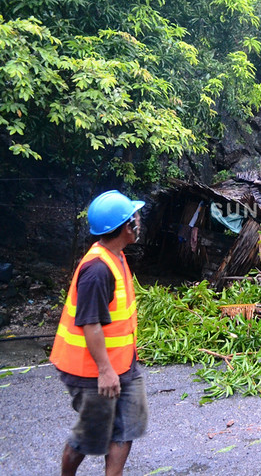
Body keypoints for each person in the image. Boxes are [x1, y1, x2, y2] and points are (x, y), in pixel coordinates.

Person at [50, 190, 148, 476]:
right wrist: (105, 371)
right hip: (92, 370)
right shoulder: (96, 270)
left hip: (122, 364)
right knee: (91, 434)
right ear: (126, 227)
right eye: (135, 217)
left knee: (126, 425)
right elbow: (90, 323)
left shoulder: (116, 256)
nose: (140, 220)